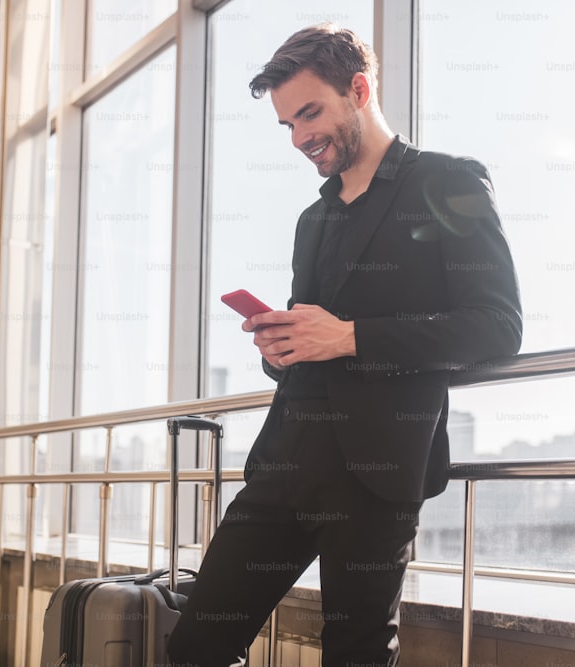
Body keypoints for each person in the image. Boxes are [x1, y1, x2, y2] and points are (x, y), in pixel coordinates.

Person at [167, 23, 522, 667]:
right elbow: (314, 346)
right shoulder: (314, 219)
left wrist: (351, 337)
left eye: (310, 114)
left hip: (376, 482)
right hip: (283, 468)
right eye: (288, 125)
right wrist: (282, 349)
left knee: (355, 656)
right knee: (194, 645)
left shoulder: (449, 185)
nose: (301, 137)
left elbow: (497, 326)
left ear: (358, 89)